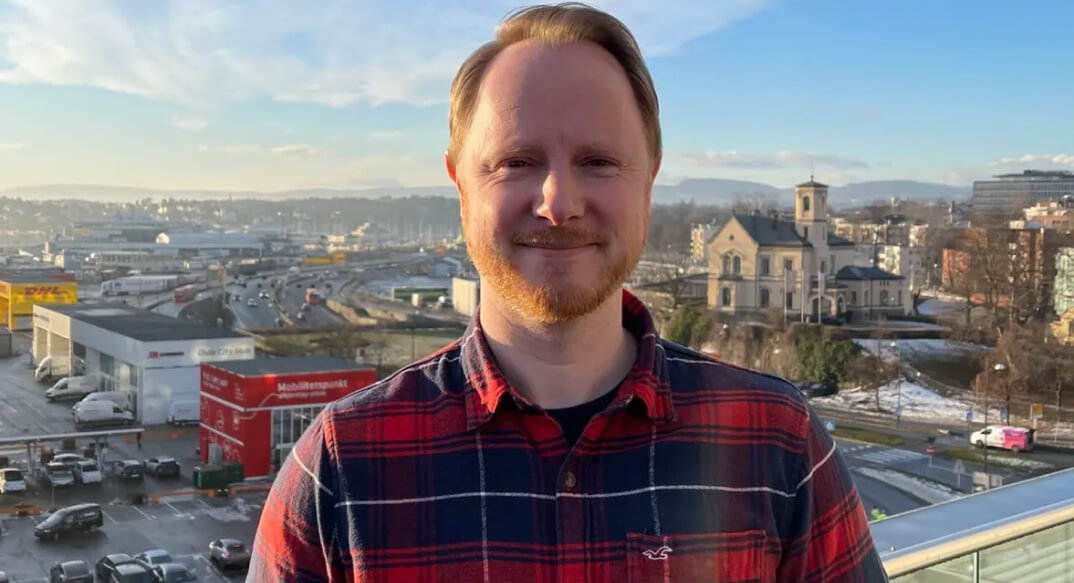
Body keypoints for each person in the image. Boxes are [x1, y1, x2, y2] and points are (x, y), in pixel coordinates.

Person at [249, 3, 887, 582]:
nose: (558, 202)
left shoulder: (777, 441)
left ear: (649, 183)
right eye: (516, 162)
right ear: (461, 187)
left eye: (599, 162)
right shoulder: (341, 469)